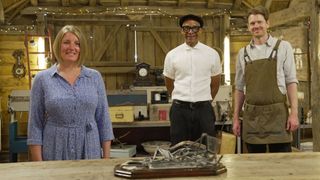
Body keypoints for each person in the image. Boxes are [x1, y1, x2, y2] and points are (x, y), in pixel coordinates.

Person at [27, 25, 114, 161]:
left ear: (81, 48)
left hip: (89, 148)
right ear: (58, 46)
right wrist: (39, 165)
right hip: (55, 148)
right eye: (66, 42)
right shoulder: (42, 79)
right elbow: (35, 124)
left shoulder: (94, 77)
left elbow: (104, 120)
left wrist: (106, 159)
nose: (72, 47)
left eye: (77, 43)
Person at [232, 6, 299, 153]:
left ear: (267, 23)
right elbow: (239, 88)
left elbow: (291, 81)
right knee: (255, 167)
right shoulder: (243, 53)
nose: (256, 26)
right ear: (248, 27)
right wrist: (236, 117)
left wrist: (294, 113)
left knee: (282, 165)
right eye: (252, 23)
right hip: (252, 119)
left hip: (278, 117)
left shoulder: (283, 47)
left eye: (259, 22)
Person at [163, 14, 222, 145]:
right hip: (179, 111)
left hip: (204, 111)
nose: (190, 32)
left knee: (206, 150)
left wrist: (203, 100)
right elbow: (169, 83)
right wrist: (181, 99)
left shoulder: (212, 54)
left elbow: (215, 85)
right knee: (178, 150)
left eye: (195, 28)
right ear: (181, 30)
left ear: (200, 30)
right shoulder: (172, 55)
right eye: (186, 28)